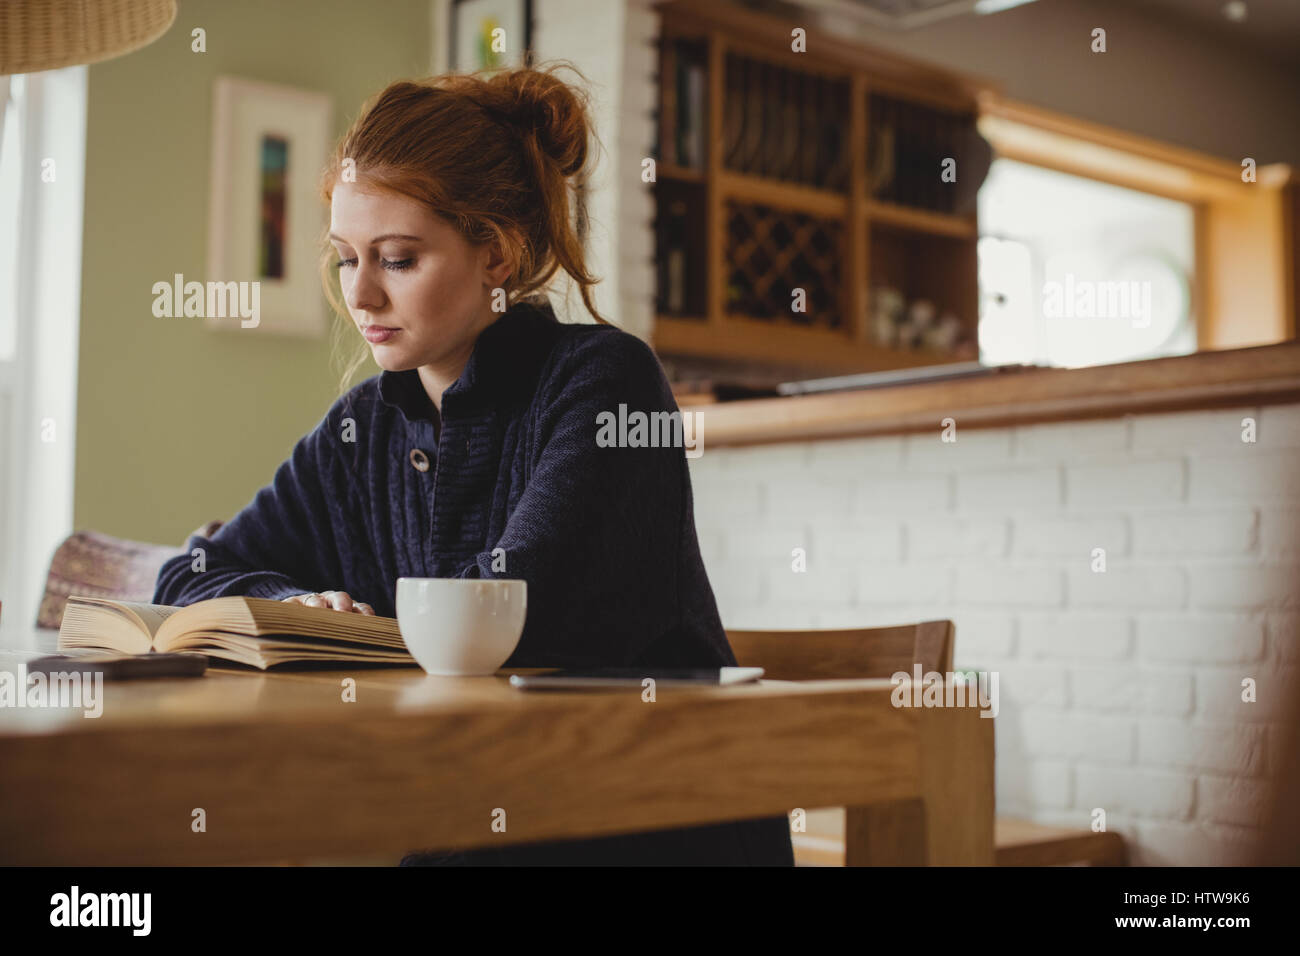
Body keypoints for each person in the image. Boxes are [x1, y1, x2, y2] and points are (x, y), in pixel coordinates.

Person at [152, 62, 794, 867]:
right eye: (348, 258)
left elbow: (505, 617)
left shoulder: (606, 382)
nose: (362, 298)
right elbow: (189, 576)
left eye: (398, 258)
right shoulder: (363, 425)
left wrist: (348, 627)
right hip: (473, 812)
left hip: (642, 827)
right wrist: (295, 601)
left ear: (496, 256)